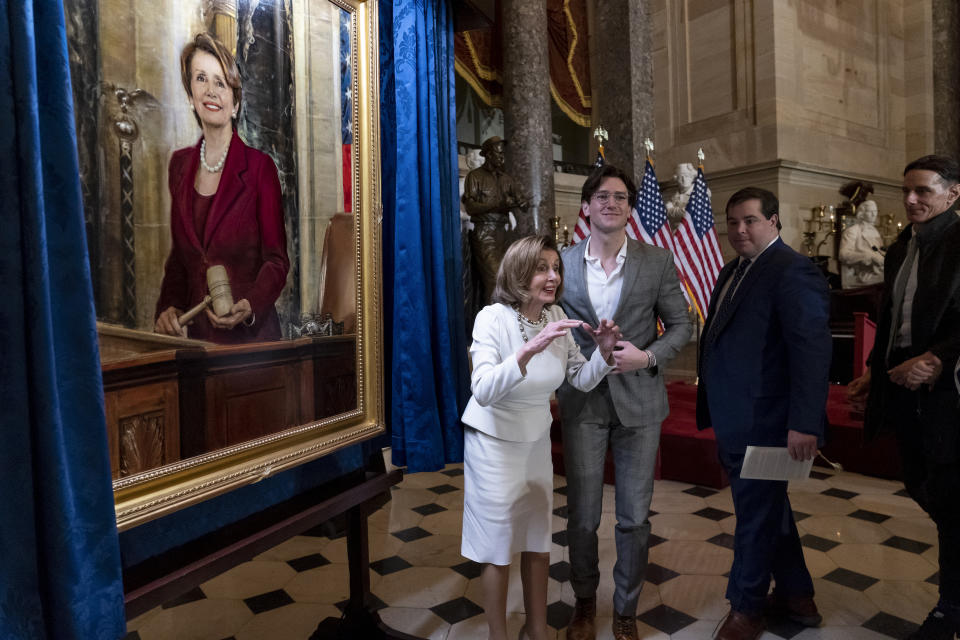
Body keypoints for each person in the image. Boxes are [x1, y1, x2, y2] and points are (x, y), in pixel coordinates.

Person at [461, 235, 619, 640]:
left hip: (535, 442)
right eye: (541, 267)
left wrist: (602, 352)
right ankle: (498, 635)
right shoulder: (491, 318)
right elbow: (482, 389)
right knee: (497, 546)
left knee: (537, 538)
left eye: (556, 268)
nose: (552, 276)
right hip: (493, 443)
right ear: (518, 272)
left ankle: (536, 631)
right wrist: (528, 351)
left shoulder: (556, 317)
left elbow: (580, 380)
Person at [558, 164, 692, 640]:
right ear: (586, 206)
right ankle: (583, 601)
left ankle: (626, 609)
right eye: (601, 196)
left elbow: (682, 325)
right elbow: (549, 324)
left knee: (634, 518)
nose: (610, 202)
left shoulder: (655, 261)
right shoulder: (563, 262)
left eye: (619, 196)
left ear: (631, 208)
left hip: (640, 404)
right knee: (583, 515)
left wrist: (649, 355)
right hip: (583, 403)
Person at [697, 187, 831, 640]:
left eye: (750, 220)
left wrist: (806, 422)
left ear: (774, 221)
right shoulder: (733, 270)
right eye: (732, 222)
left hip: (772, 424)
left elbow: (811, 351)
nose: (739, 230)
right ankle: (798, 597)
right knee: (770, 511)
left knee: (755, 517)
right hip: (738, 418)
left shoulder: (794, 271)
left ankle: (747, 608)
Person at [848, 155, 960, 640]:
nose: (912, 200)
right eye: (907, 191)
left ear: (953, 193)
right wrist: (874, 372)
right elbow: (893, 318)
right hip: (901, 381)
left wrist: (937, 358)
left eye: (924, 191)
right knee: (919, 480)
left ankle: (951, 607)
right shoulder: (900, 248)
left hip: (948, 387)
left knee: (950, 493)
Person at [154, 33, 289, 343]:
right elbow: (180, 259)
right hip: (198, 347)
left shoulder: (259, 168)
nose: (211, 91)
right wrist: (169, 309)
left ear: (235, 102)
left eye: (220, 82)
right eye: (201, 79)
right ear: (190, 95)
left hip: (253, 348)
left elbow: (277, 262)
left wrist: (250, 306)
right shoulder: (179, 165)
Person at [461, 136, 530, 304]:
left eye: (503, 155)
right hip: (485, 233)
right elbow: (470, 208)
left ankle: (508, 323)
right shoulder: (475, 176)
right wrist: (496, 204)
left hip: (504, 233)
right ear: (488, 155)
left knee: (510, 281)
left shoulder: (507, 179)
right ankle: (492, 327)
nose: (502, 158)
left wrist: (522, 203)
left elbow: (524, 205)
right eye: (498, 155)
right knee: (495, 280)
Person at [839, 199, 885, 288]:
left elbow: (880, 252)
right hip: (862, 272)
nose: (874, 214)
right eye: (870, 211)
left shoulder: (875, 231)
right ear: (862, 213)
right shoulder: (852, 231)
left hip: (879, 269)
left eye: (875, 211)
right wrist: (870, 256)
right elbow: (843, 254)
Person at [665, 162, 710, 230]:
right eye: (681, 177)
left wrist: (670, 210)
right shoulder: (674, 197)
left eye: (687, 176)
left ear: (692, 178)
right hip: (677, 233)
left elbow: (689, 212)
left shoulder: (701, 192)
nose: (684, 180)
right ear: (676, 179)